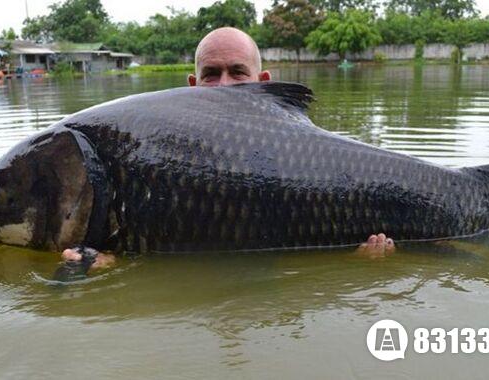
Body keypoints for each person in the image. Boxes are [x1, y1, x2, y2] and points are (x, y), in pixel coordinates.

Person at [62, 28, 394, 270]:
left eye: (237, 72)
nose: (224, 85)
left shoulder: (309, 154)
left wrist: (357, 261)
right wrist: (101, 265)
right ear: (192, 86)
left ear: (263, 81)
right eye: (211, 74)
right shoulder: (163, 150)